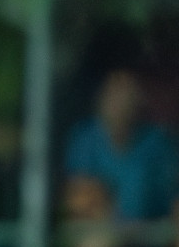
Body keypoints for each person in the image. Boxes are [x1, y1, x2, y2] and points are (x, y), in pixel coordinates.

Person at [63, 70, 179, 221]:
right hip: (101, 232)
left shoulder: (158, 143)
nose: (119, 102)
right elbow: (78, 200)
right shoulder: (85, 137)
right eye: (113, 92)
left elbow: (172, 196)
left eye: (126, 93)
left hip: (153, 234)